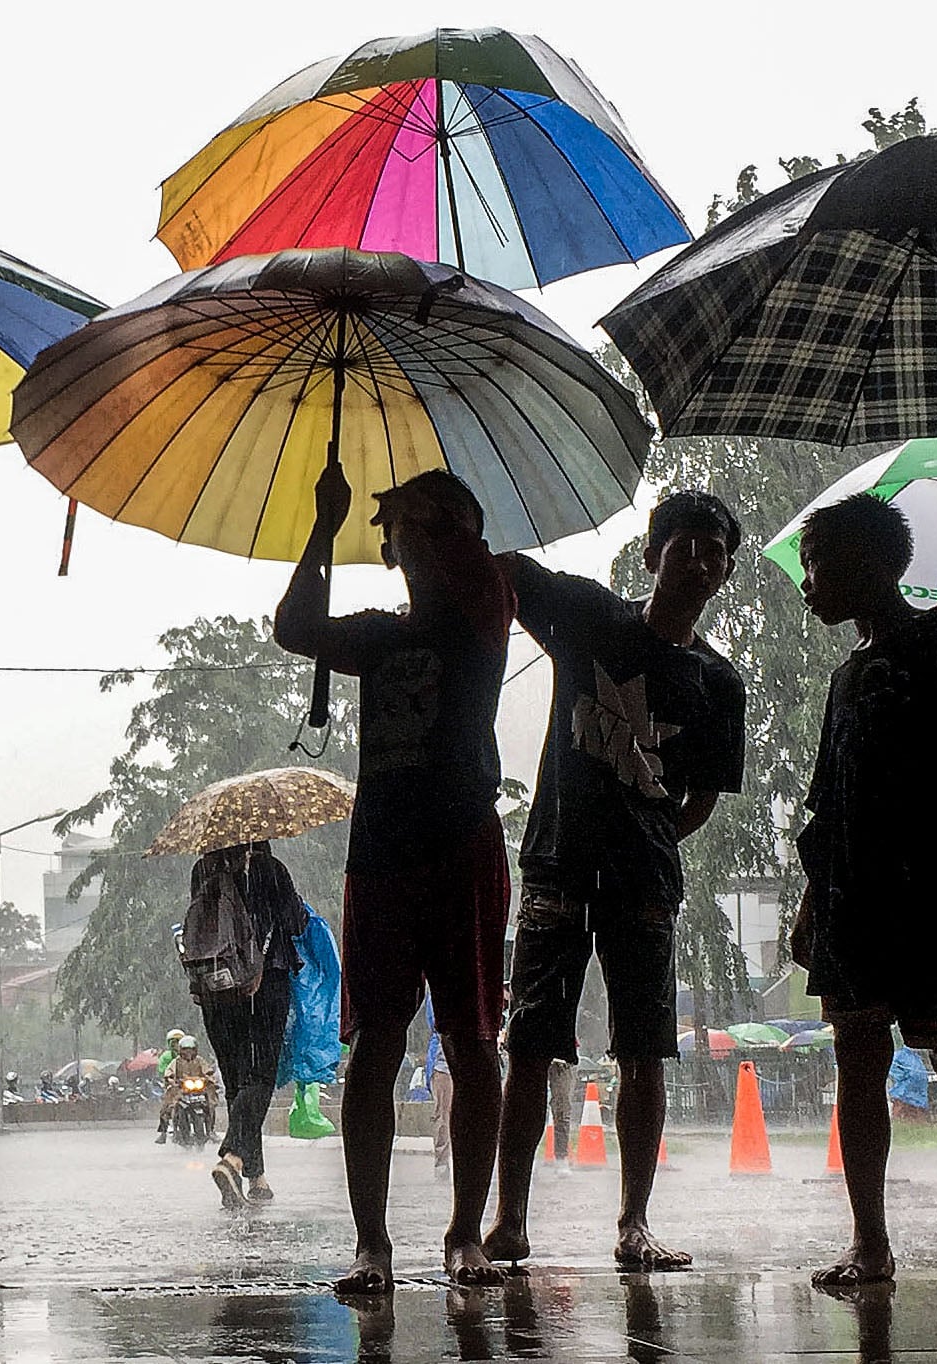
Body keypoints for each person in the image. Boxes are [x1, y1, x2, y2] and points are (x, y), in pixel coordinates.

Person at [484, 491, 747, 1273]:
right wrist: (456, 516)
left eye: (714, 552)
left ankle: (634, 1224)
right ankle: (509, 1221)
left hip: (646, 886)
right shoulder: (588, 616)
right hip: (557, 864)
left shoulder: (718, 683)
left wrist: (647, 840)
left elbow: (701, 799)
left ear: (726, 571)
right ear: (651, 555)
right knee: (532, 1045)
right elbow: (508, 568)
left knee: (643, 1051)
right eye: (683, 545)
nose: (698, 562)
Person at [275, 463, 515, 1290]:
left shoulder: (483, 615)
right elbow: (294, 627)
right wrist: (325, 522)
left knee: (472, 1041)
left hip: (463, 849)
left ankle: (465, 1234)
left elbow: (467, 555)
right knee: (375, 1044)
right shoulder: (380, 636)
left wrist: (428, 511)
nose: (405, 540)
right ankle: (371, 1243)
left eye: (422, 526)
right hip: (380, 858)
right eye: (399, 533)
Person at [790, 493, 937, 1287]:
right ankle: (870, 1241)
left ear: (868, 563)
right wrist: (810, 903)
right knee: (858, 1063)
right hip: (849, 896)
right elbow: (827, 806)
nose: (807, 583)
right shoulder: (843, 677)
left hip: (924, 889)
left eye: (817, 564)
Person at [190, 842, 305, 1207]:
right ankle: (232, 1158)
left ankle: (255, 1177)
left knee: (237, 1082)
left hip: (216, 986)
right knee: (260, 1076)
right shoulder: (271, 869)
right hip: (264, 981)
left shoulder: (202, 870)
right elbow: (295, 922)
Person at [423, 996, 453, 1178]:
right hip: (442, 1065)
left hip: (467, 1060)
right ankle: (441, 1163)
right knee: (443, 1116)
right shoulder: (434, 994)